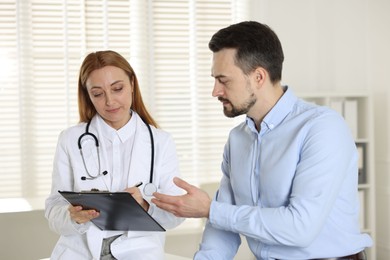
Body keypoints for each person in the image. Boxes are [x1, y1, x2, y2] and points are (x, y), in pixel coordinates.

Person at [152, 21, 373, 259]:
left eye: (223, 80)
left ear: (258, 77)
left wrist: (211, 210)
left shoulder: (322, 128)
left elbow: (300, 228)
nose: (215, 91)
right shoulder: (238, 139)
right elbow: (223, 228)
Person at [45, 50, 184, 260]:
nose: (110, 101)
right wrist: (72, 216)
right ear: (88, 95)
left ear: (132, 85)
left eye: (117, 89)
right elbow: (54, 209)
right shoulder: (70, 139)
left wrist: (145, 205)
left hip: (139, 253)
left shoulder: (161, 142)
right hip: (79, 252)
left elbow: (176, 213)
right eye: (98, 94)